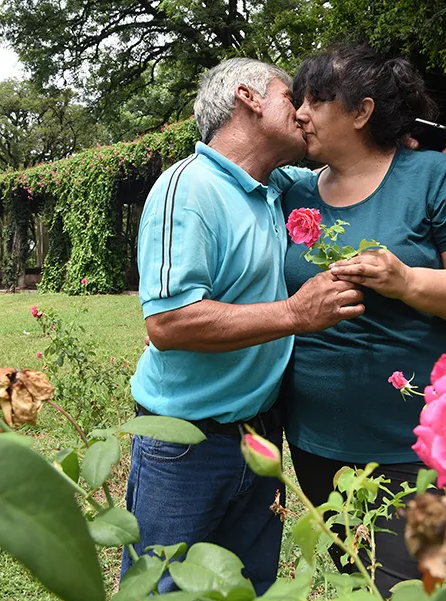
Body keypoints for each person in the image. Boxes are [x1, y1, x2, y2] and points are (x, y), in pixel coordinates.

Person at [123, 58, 366, 594]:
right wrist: (296, 314)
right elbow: (168, 321)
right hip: (185, 441)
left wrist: (406, 147)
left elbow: (353, 166)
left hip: (261, 433)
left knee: (245, 585)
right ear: (249, 98)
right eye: (291, 97)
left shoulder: (280, 185)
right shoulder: (187, 190)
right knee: (164, 586)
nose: (305, 113)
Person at [280, 45, 446, 596]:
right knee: (358, 580)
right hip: (318, 442)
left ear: (361, 112)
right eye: (297, 100)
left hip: (425, 441)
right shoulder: (291, 191)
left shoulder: (431, 175)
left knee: (413, 582)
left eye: (316, 99)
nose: (301, 112)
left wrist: (408, 281)